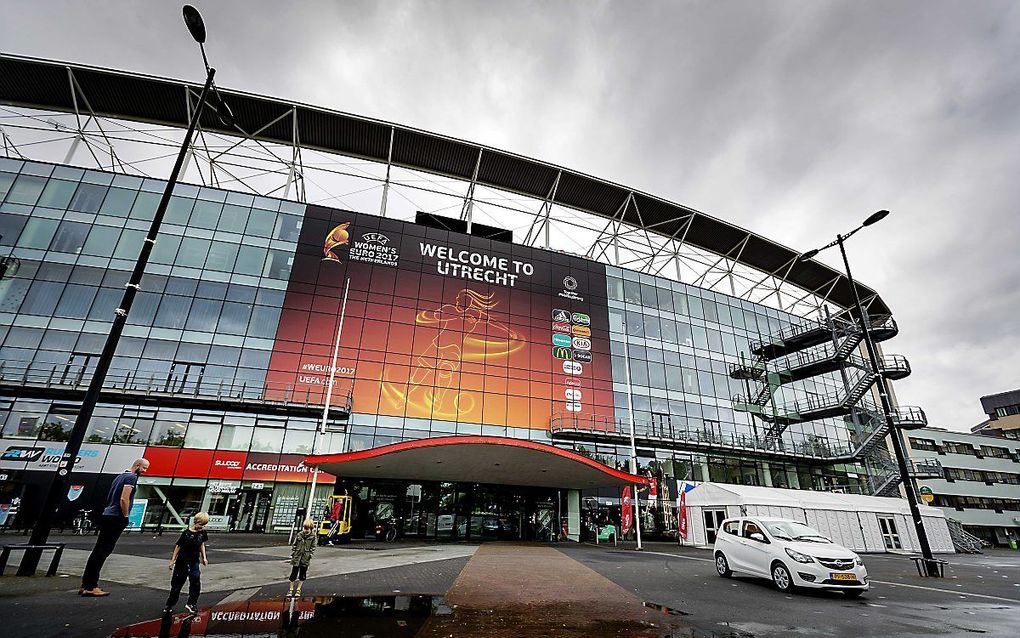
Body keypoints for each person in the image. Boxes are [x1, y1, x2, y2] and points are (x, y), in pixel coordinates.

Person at [79, 457, 149, 597]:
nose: (145, 471)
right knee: (103, 551)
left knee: (98, 550)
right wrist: (125, 516)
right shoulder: (131, 478)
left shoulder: (120, 477)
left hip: (108, 514)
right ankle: (91, 586)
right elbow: (124, 498)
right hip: (116, 516)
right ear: (137, 466)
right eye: (144, 468)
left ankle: (87, 584)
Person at [164, 512, 210, 615]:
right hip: (182, 561)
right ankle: (170, 604)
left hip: (194, 561)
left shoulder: (202, 533)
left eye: (204, 525)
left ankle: (192, 603)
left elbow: (201, 544)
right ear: (196, 522)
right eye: (201, 525)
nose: (202, 527)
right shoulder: (186, 533)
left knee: (195, 582)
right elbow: (178, 546)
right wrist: (173, 560)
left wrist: (204, 557)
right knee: (177, 584)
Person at [287, 518, 316, 597]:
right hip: (297, 556)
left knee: (302, 574)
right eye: (305, 528)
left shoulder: (313, 536)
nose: (306, 530)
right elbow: (295, 543)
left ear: (311, 529)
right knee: (293, 573)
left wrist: (310, 554)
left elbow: (313, 547)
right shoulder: (299, 534)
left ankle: (298, 589)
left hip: (305, 557)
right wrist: (295, 551)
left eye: (308, 529)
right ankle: (291, 589)